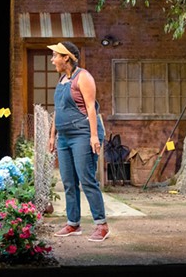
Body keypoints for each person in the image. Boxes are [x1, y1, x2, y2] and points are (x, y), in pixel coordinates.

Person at [47, 41, 109, 242]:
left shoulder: (83, 77)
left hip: (83, 134)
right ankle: (73, 223)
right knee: (68, 181)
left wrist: (93, 136)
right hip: (64, 137)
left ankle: (101, 225)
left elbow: (91, 108)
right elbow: (58, 110)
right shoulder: (62, 79)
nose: (52, 59)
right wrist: (52, 135)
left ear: (66, 57)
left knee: (86, 179)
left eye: (56, 55)